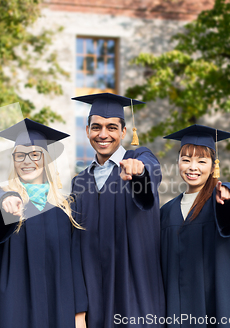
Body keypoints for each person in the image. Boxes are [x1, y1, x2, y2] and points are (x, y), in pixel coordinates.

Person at [160, 124, 230, 327]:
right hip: (181, 310)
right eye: (186, 160)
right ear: (178, 163)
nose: (193, 167)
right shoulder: (166, 212)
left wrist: (228, 196)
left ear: (213, 166)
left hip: (217, 304)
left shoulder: (220, 199)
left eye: (202, 161)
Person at [0, 118, 88, 328]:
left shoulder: (65, 208)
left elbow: (75, 265)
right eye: (19, 155)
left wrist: (79, 314)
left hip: (57, 307)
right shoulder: (1, 194)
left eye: (35, 154)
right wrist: (7, 202)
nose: (27, 161)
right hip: (12, 308)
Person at [70, 93, 165, 327]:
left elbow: (149, 173)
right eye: (96, 127)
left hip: (135, 294)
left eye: (112, 127)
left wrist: (139, 172)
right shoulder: (80, 182)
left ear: (124, 132)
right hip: (95, 301)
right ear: (87, 130)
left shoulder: (139, 159)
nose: (103, 134)